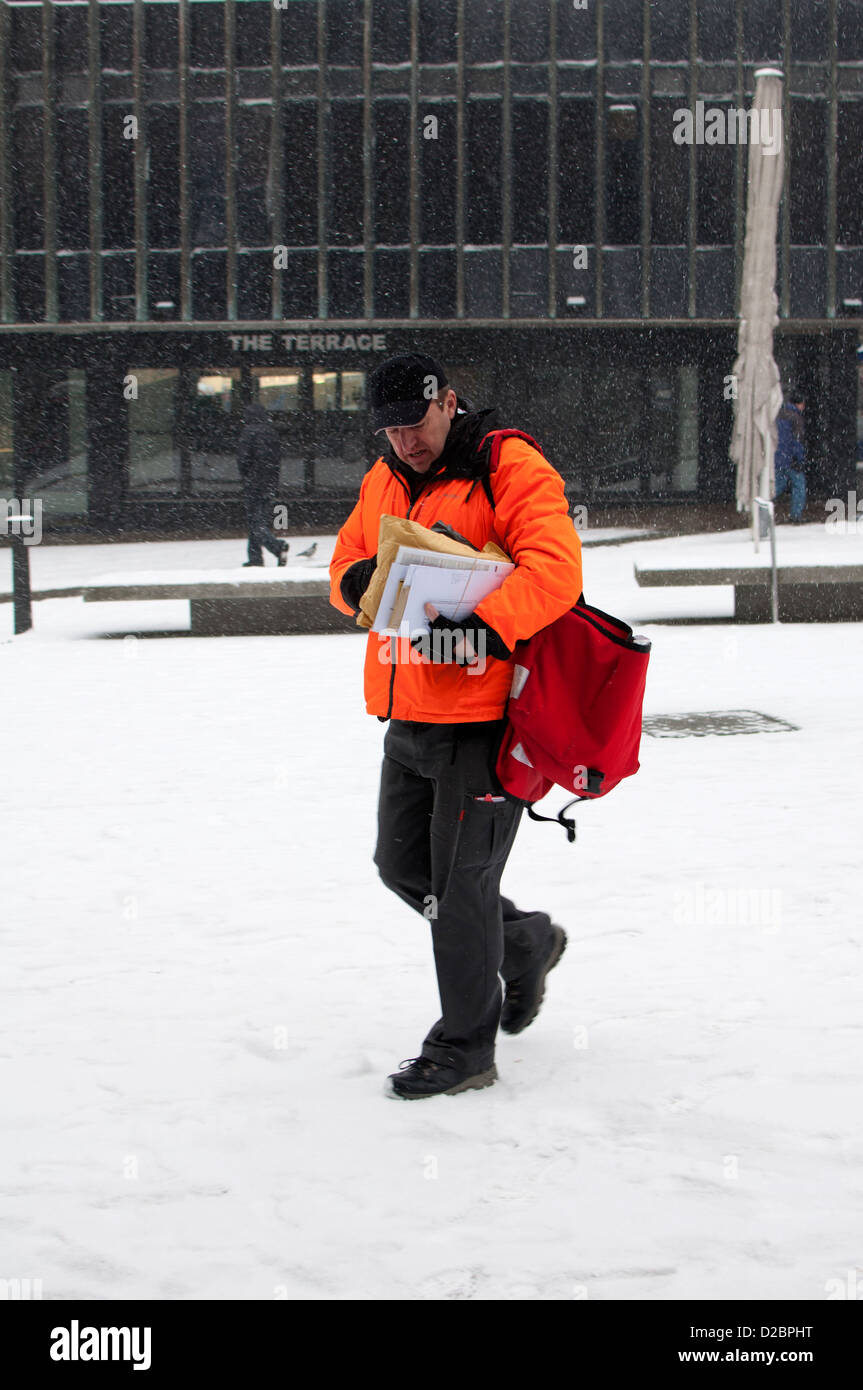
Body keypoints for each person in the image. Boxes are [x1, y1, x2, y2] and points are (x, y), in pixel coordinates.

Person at [329, 353, 583, 1100]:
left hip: (486, 719)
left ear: (446, 402)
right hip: (409, 707)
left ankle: (464, 1047)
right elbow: (350, 559)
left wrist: (481, 626)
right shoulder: (385, 477)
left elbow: (554, 571)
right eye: (389, 430)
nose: (403, 442)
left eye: (414, 423)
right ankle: (526, 940)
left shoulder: (506, 462)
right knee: (402, 867)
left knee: (460, 888)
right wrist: (353, 587)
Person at [236, 404, 289, 566]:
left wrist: (247, 476)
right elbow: (276, 460)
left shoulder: (248, 432)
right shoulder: (271, 432)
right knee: (259, 520)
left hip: (254, 483)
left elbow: (243, 460)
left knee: (255, 522)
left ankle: (277, 546)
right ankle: (255, 558)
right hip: (270, 483)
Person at [773, 387, 807, 524]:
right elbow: (797, 441)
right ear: (800, 404)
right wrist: (799, 458)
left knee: (777, 485)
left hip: (778, 457)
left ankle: (762, 505)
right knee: (799, 485)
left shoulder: (779, 414)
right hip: (790, 458)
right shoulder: (796, 418)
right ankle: (796, 515)